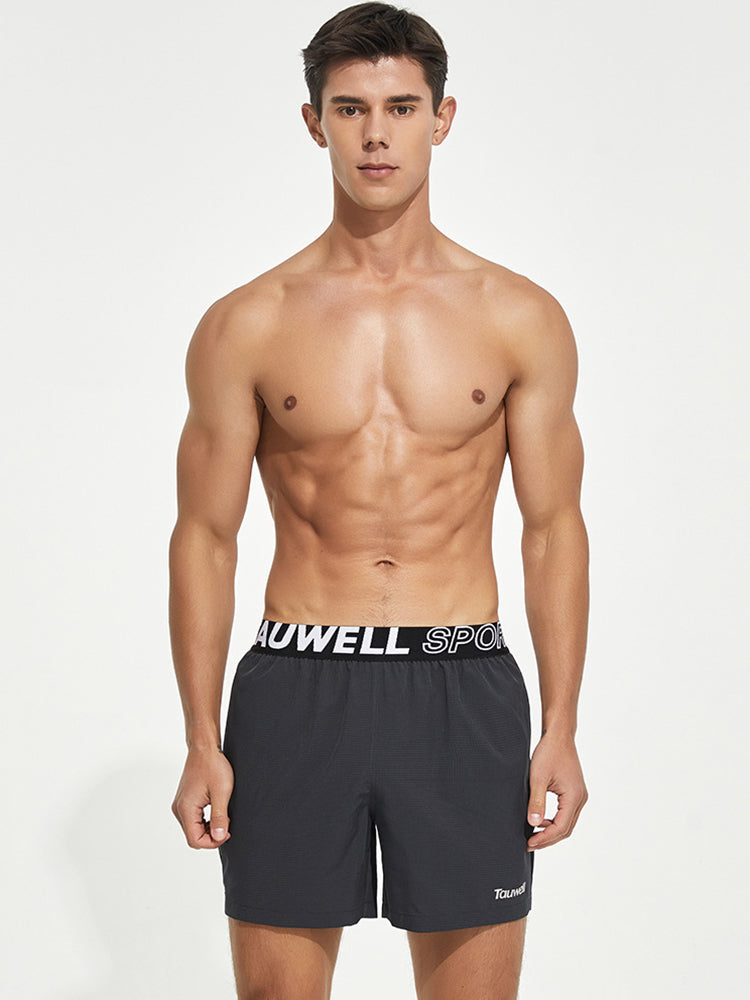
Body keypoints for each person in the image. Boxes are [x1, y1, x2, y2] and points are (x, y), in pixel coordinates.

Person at [169, 3, 589, 998]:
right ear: (314, 123)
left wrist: (562, 724)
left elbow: (551, 529)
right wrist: (201, 739)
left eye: (401, 107)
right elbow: (205, 537)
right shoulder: (246, 324)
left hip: (461, 682)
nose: (376, 135)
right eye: (350, 109)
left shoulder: (519, 316)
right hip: (296, 685)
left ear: (443, 118)